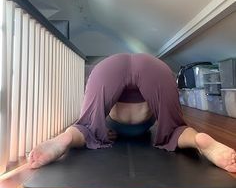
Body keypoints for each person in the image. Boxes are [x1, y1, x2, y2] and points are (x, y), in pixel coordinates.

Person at [29, 53, 236, 172]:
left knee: (84, 128)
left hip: (107, 67)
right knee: (176, 130)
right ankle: (198, 140)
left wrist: (95, 131)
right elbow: (169, 127)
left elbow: (90, 129)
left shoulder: (106, 128)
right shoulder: (147, 124)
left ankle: (63, 138)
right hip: (154, 67)